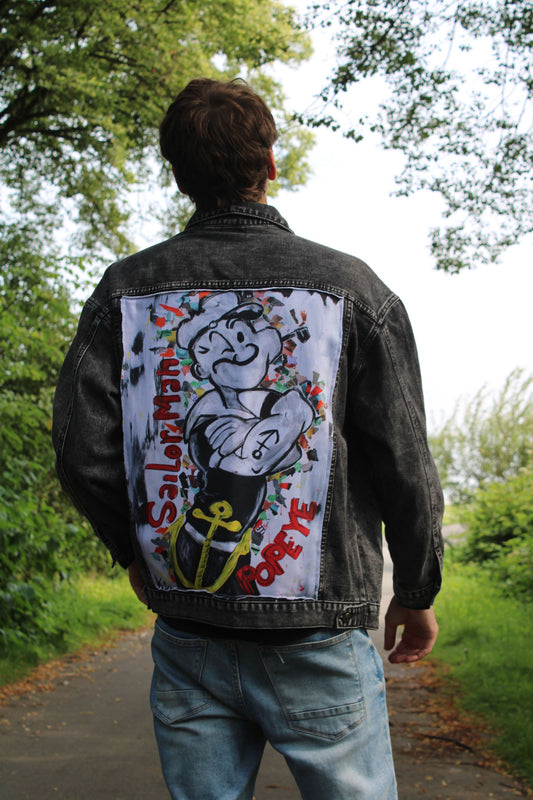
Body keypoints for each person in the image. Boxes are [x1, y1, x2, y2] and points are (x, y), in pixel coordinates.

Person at [52, 78, 444, 800]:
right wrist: (416, 588)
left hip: (188, 625)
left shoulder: (125, 289)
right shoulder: (350, 287)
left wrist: (134, 549)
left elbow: (81, 448)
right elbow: (403, 458)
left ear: (176, 174)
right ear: (269, 163)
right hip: (318, 634)